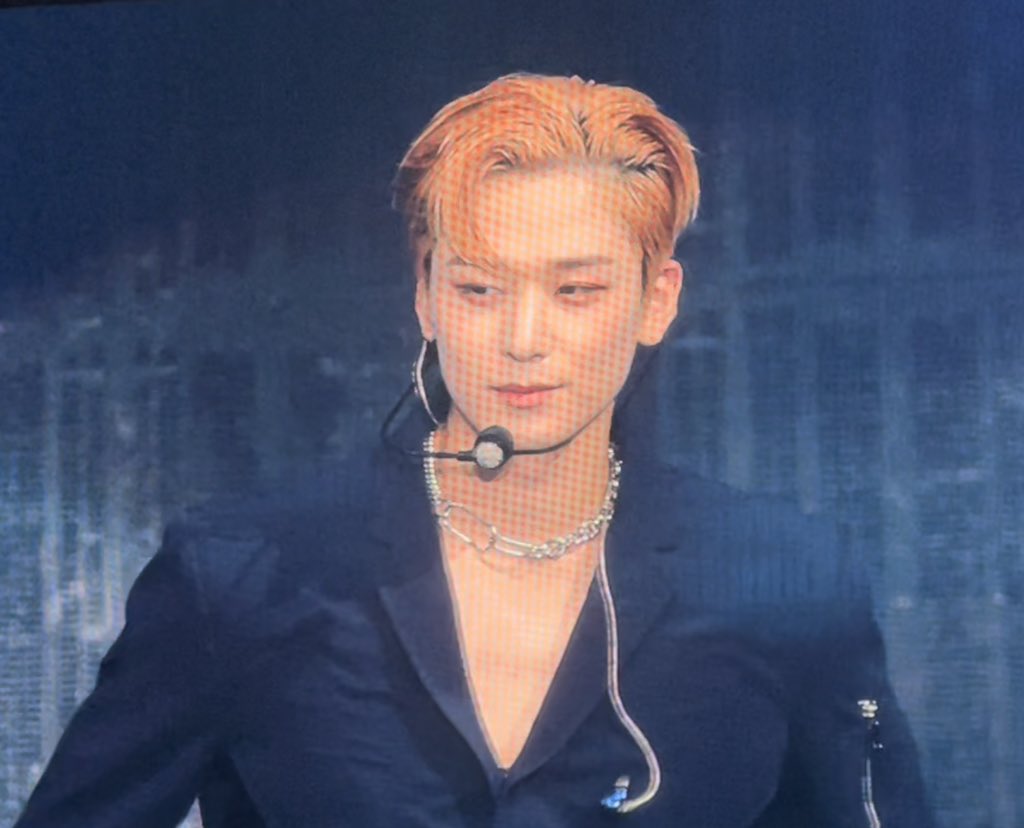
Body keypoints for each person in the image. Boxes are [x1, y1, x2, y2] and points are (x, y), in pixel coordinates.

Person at [15, 72, 935, 827]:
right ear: (425, 294)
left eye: (576, 291)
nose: (523, 340)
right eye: (480, 288)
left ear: (656, 301)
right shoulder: (238, 576)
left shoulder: (785, 579)